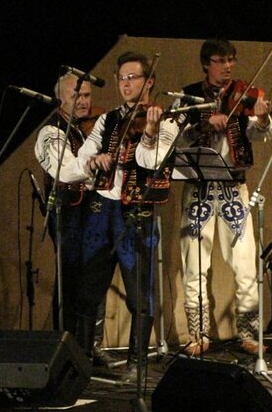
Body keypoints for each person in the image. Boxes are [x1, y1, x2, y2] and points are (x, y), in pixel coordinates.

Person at [62, 51, 174, 383]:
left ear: (148, 82)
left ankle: (136, 364)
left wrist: (151, 132)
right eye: (121, 79)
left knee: (140, 293)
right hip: (102, 209)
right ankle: (81, 360)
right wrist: (93, 161)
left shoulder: (165, 120)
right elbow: (82, 157)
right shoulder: (107, 119)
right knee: (88, 288)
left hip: (135, 211)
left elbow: (149, 160)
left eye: (132, 78)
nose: (125, 85)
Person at [175, 38, 272, 355]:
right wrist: (206, 121)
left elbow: (265, 133)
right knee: (195, 263)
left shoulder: (245, 95)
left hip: (233, 188)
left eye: (231, 60)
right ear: (206, 64)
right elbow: (176, 135)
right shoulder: (188, 95)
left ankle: (247, 332)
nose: (228, 66)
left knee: (246, 263)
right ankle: (198, 334)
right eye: (221, 61)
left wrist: (261, 118)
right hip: (200, 188)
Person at [34, 72, 114, 368]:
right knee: (70, 280)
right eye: (76, 96)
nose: (83, 102)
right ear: (60, 99)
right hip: (67, 214)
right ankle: (66, 347)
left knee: (95, 277)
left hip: (92, 212)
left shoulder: (89, 129)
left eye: (87, 96)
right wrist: (94, 162)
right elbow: (66, 170)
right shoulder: (51, 131)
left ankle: (90, 345)